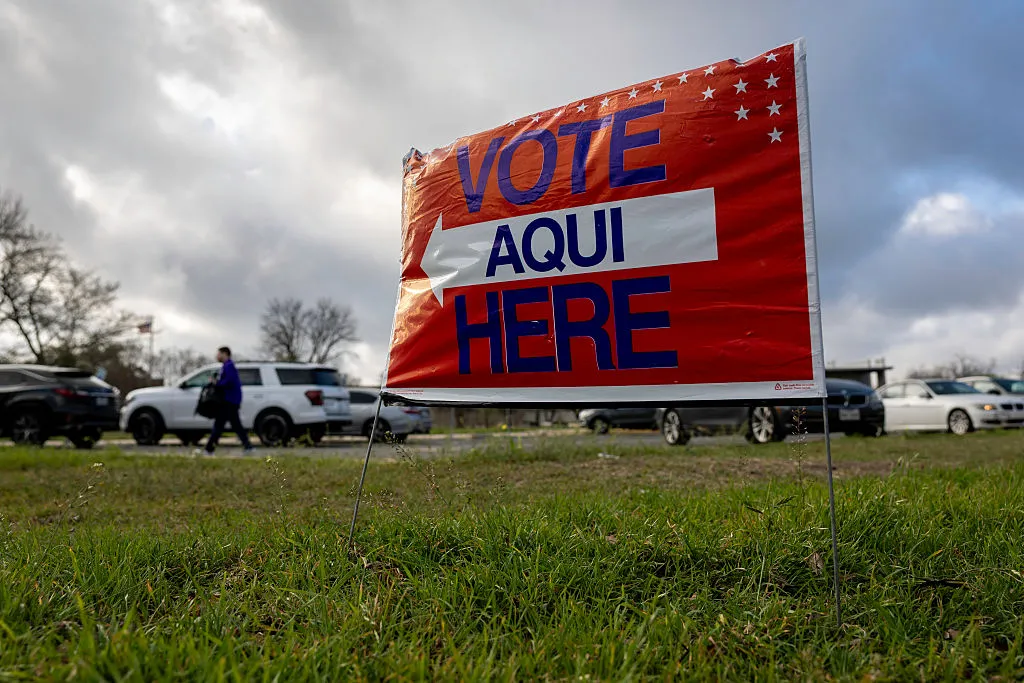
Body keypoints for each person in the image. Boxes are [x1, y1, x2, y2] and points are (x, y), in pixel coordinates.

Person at [197, 346, 253, 456]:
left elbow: (229, 381)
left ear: (225, 354)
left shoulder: (229, 366)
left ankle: (209, 449)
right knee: (234, 425)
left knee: (219, 424)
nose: (217, 356)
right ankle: (248, 446)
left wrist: (216, 383)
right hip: (231, 400)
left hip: (229, 400)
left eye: (218, 354)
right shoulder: (227, 366)